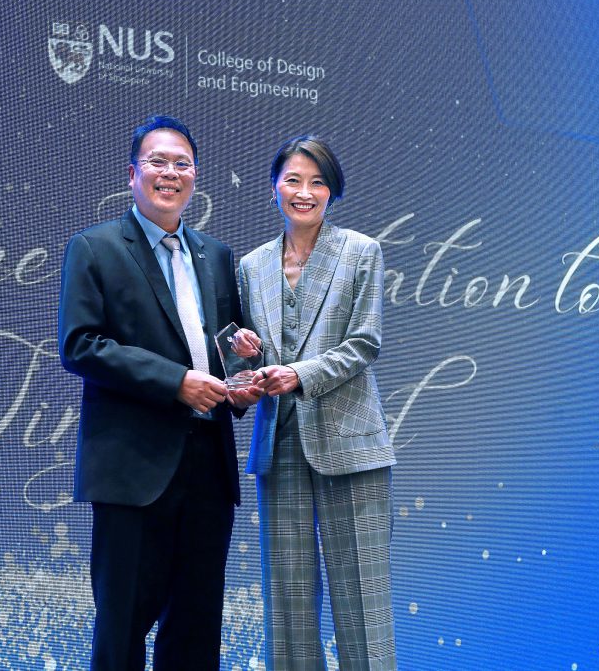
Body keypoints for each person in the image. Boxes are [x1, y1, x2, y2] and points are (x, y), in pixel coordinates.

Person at [58, 115, 262, 671]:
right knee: (122, 629)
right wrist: (176, 383)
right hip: (133, 470)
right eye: (157, 162)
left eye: (182, 164)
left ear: (195, 176)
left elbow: (225, 347)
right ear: (132, 174)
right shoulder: (95, 247)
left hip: (208, 467)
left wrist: (243, 380)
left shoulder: (216, 255)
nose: (170, 173)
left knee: (196, 631)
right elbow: (81, 345)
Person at [238, 135, 397, 670]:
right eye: (293, 180)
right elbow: (250, 354)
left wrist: (298, 375)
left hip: (350, 445)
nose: (304, 192)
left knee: (363, 605)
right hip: (279, 444)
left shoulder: (360, 251)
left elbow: (364, 342)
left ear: (333, 192)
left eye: (317, 182)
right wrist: (245, 357)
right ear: (273, 188)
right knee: (287, 611)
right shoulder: (252, 266)